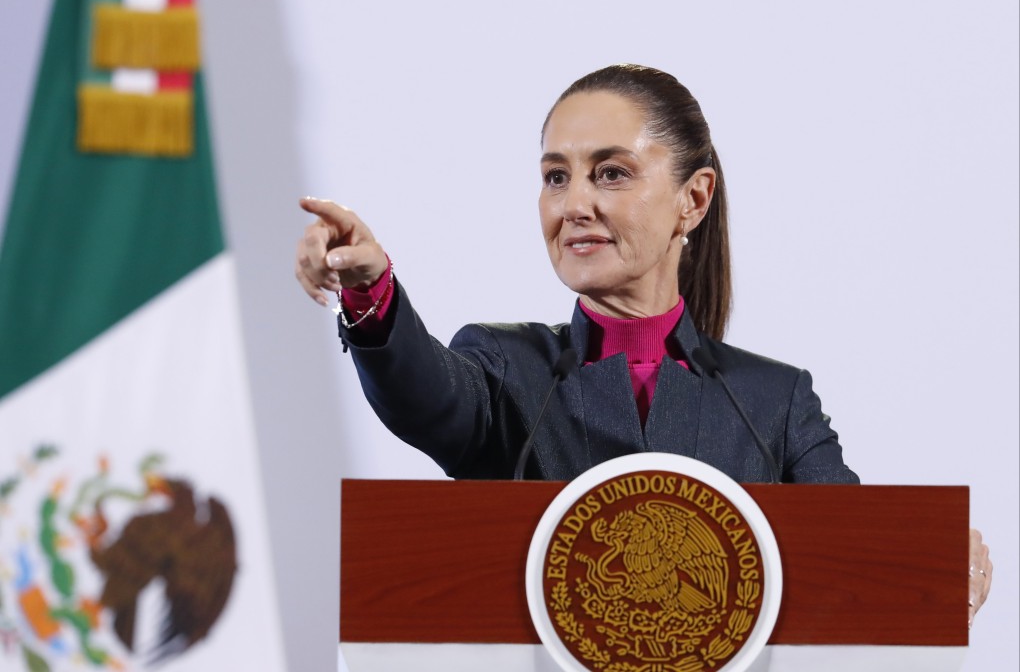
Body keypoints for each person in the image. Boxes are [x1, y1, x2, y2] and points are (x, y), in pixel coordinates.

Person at [293, 64, 991, 622]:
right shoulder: (509, 370)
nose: (574, 206)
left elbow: (858, 558)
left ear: (693, 198)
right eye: (555, 176)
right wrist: (371, 290)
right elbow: (426, 397)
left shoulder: (773, 402)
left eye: (612, 172)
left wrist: (930, 561)